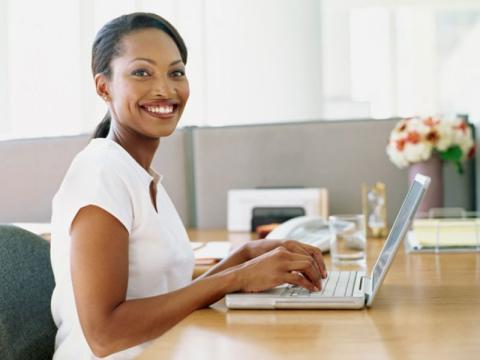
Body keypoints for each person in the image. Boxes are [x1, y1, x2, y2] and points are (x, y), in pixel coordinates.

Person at [50, 12, 327, 360]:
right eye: (141, 72)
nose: (165, 88)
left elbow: (168, 294)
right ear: (103, 86)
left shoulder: (137, 173)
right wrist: (235, 278)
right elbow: (104, 335)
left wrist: (242, 259)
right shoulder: (101, 173)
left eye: (176, 72)